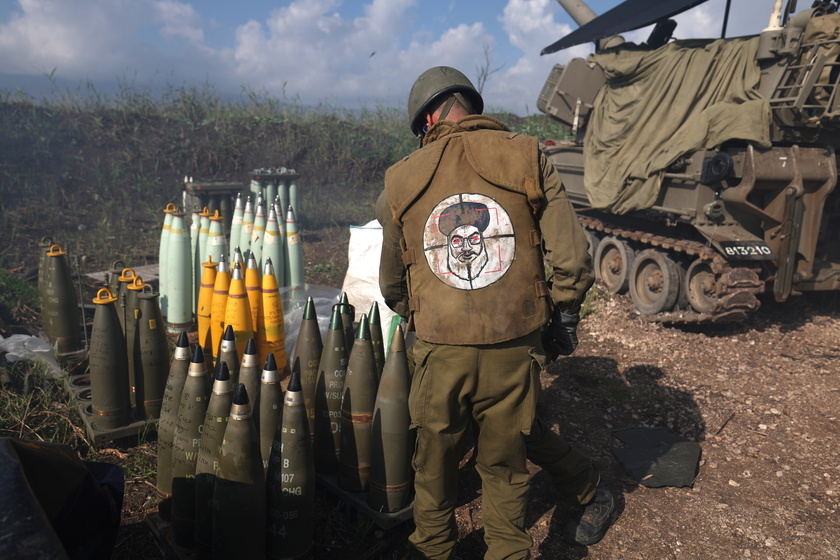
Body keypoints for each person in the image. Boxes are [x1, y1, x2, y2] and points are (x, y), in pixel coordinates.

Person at [377, 66, 618, 559]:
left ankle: (434, 548)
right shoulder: (528, 155)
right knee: (506, 461)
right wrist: (563, 315)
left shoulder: (399, 181)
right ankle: (508, 550)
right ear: (471, 106)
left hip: (439, 351)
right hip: (515, 345)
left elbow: (389, 284)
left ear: (427, 119)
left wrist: (423, 318)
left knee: (435, 460)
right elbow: (571, 258)